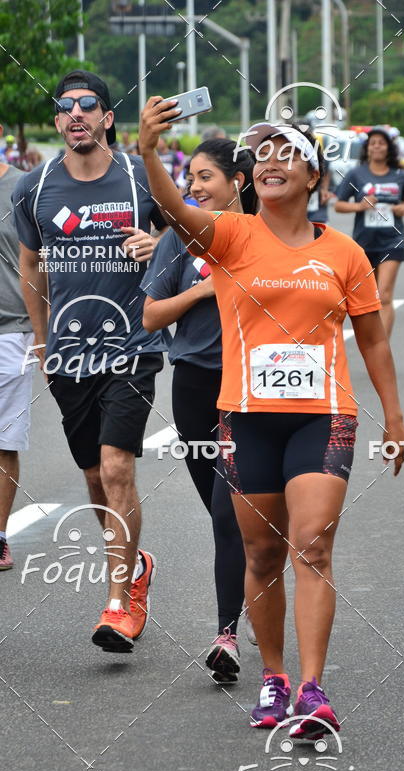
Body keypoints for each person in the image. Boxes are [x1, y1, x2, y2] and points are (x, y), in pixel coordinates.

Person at [138, 104, 404, 738]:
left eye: (286, 154)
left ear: (314, 175)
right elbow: (177, 212)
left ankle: (313, 688)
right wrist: (152, 152)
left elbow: (372, 340)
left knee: (311, 547)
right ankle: (273, 677)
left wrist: (395, 420)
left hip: (324, 417)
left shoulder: (343, 252)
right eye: (260, 155)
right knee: (262, 554)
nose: (271, 163)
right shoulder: (231, 237)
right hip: (246, 419)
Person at [13, 70, 168, 653]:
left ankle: (118, 602)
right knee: (95, 479)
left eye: (88, 105)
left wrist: (160, 245)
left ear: (107, 118)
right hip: (68, 354)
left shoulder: (138, 177)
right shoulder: (35, 186)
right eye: (65, 107)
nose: (75, 114)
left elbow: (190, 236)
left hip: (132, 346)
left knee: (117, 466)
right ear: (57, 122)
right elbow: (31, 267)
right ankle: (136, 564)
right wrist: (42, 338)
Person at [142, 139, 258, 683]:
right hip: (191, 387)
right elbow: (150, 316)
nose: (195, 186)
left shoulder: (262, 236)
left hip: (248, 390)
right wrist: (199, 294)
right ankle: (255, 588)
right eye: (190, 176)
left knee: (225, 512)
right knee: (231, 517)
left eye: (206, 175)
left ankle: (226, 636)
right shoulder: (178, 242)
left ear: (238, 181)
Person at [334, 127, 404, 336]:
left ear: (388, 148)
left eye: (381, 143)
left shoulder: (399, 176)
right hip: (365, 242)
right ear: (367, 149)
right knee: (369, 298)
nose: (377, 146)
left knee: (385, 296)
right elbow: (339, 205)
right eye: (373, 143)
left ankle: (382, 346)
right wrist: (360, 206)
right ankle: (373, 341)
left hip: (393, 241)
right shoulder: (356, 174)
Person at [0, 124, 33, 570]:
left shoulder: (21, 188)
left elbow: (41, 259)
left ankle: (0, 534)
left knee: (3, 442)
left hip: (11, 330)